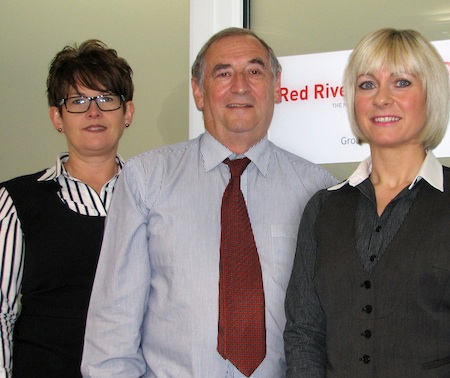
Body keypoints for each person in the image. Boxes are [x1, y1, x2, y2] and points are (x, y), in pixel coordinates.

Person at [81, 27, 337, 377]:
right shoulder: (146, 180)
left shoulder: (318, 190)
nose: (240, 85)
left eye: (255, 71)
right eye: (223, 73)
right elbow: (112, 330)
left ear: (276, 87)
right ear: (199, 92)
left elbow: (329, 330)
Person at [284, 27, 450, 377]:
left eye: (401, 82)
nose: (381, 98)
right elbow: (305, 332)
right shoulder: (322, 209)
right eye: (367, 84)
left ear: (431, 95)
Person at [0, 40, 135, 377]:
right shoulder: (16, 201)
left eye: (106, 99)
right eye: (77, 101)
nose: (94, 112)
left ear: (127, 112)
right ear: (57, 117)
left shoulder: (153, 198)